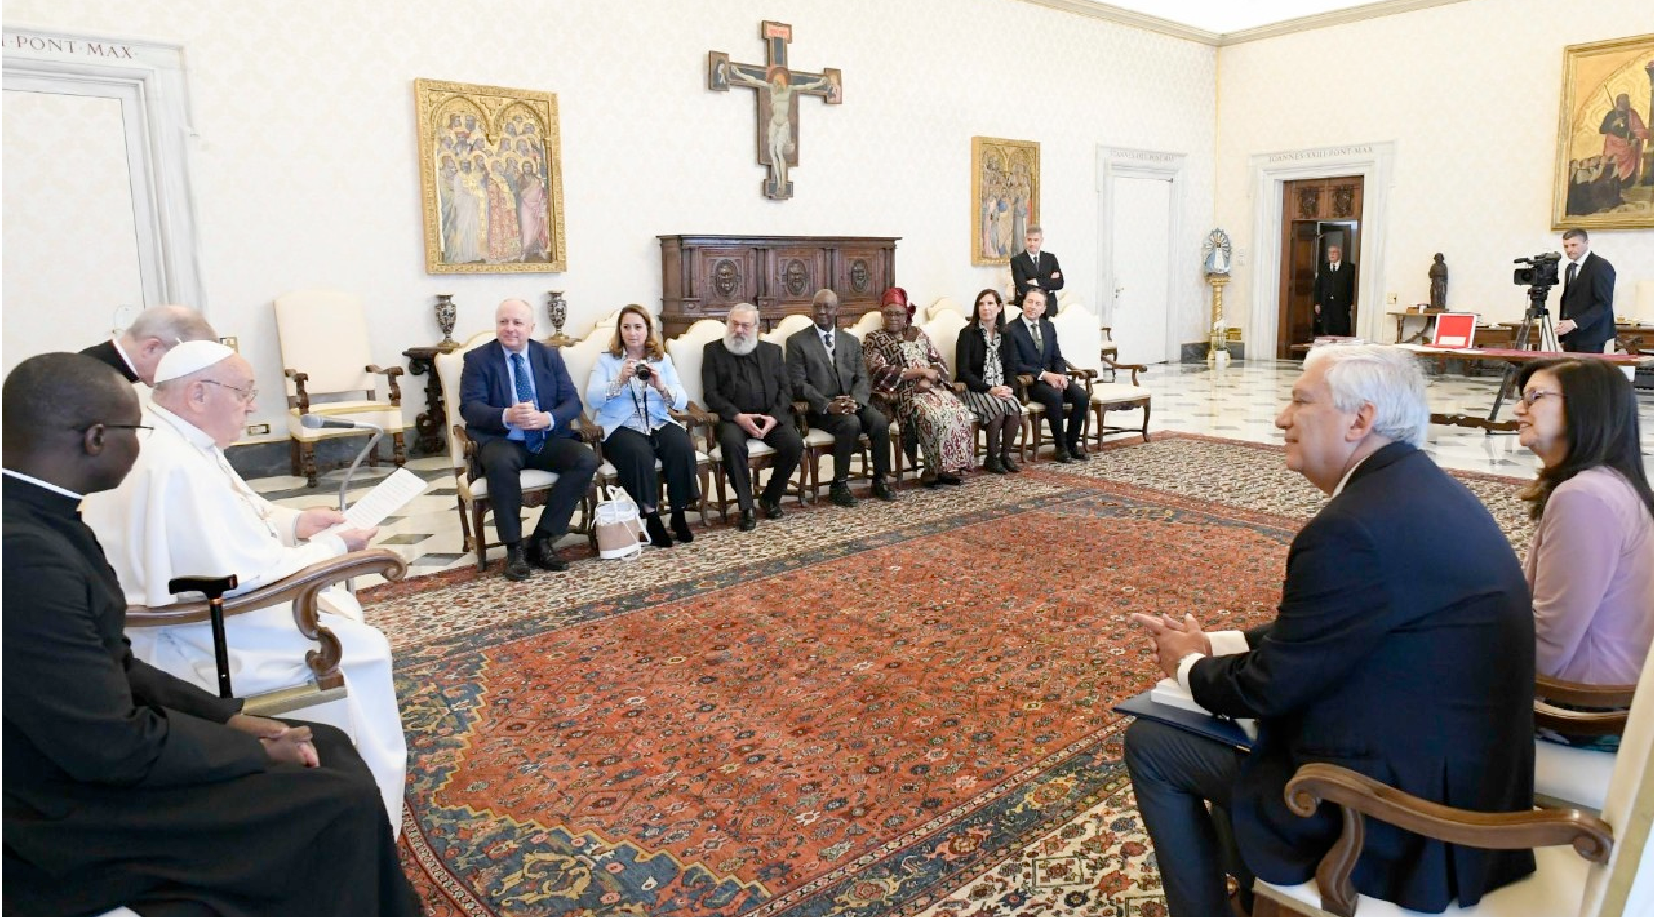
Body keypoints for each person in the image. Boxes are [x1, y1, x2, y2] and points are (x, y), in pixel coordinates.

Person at [2, 352, 422, 917]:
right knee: (335, 800)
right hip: (57, 811)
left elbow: (115, 662)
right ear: (97, 439)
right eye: (137, 431)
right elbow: (106, 747)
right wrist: (251, 749)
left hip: (86, 757)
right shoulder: (24, 557)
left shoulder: (41, 517)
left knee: (329, 745)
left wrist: (230, 718)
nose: (142, 445)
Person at [1124, 345, 1536, 917]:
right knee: (1223, 726)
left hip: (1411, 821)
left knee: (1153, 743)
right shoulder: (1414, 486)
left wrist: (1187, 667)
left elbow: (1269, 687)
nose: (1281, 418)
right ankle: (1249, 896)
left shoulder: (1352, 530)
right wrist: (1216, 645)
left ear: (1359, 420)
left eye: (1300, 402)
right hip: (1459, 769)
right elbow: (1331, 626)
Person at [80, 340, 408, 827]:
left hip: (194, 610)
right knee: (363, 647)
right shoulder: (174, 462)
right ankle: (373, 800)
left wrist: (298, 524)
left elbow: (241, 517)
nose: (252, 406)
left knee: (345, 614)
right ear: (198, 394)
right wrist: (335, 549)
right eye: (243, 393)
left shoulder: (174, 438)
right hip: (198, 631)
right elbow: (243, 577)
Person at [1513, 358, 1652, 686]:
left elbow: (1548, 645)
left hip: (1581, 692)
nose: (1518, 410)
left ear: (1585, 408)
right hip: (1606, 679)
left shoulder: (1584, 496)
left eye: (1535, 397)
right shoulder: (1611, 481)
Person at [459, 298, 601, 580]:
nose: (510, 328)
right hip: (502, 439)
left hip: (545, 437)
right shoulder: (477, 359)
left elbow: (572, 402)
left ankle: (542, 539)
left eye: (517, 322)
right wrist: (506, 415)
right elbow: (470, 408)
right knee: (500, 463)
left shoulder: (549, 356)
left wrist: (548, 418)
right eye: (503, 322)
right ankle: (514, 550)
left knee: (585, 459)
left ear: (531, 327)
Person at [585, 305, 699, 547]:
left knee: (682, 446)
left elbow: (680, 401)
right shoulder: (607, 360)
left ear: (648, 330)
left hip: (657, 419)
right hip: (620, 425)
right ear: (620, 331)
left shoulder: (661, 359)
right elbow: (592, 399)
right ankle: (651, 517)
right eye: (626, 327)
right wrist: (619, 380)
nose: (632, 333)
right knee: (639, 453)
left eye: (638, 327)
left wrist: (661, 386)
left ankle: (678, 515)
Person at [785, 289, 897, 506]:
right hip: (820, 408)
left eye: (827, 307)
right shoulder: (797, 342)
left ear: (837, 310)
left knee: (879, 420)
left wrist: (855, 401)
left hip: (851, 402)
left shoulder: (850, 341)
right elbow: (797, 383)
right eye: (818, 307)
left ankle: (880, 479)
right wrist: (828, 405)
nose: (822, 311)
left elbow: (862, 377)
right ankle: (840, 484)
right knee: (850, 423)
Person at [702, 303, 803, 530]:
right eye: (734, 324)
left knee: (794, 443)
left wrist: (774, 418)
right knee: (731, 444)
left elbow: (786, 390)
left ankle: (771, 498)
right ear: (728, 324)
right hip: (734, 419)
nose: (739, 330)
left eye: (745, 325)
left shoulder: (772, 352)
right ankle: (746, 507)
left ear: (756, 327)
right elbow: (711, 394)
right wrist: (738, 417)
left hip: (769, 417)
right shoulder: (713, 351)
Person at [863, 288, 976, 486]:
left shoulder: (919, 334)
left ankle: (948, 468)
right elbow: (878, 370)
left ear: (906, 314)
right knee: (932, 415)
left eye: (898, 313)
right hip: (903, 394)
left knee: (957, 410)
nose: (893, 318)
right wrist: (920, 373)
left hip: (931, 388)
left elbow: (937, 361)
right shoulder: (875, 338)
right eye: (888, 313)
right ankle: (931, 470)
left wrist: (928, 380)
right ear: (882, 314)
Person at [1003, 287, 1089, 463]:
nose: (1032, 307)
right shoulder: (1011, 329)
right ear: (1023, 303)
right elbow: (1015, 364)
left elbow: (1057, 357)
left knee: (1082, 396)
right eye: (1029, 302)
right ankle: (1060, 447)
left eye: (1037, 304)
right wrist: (1044, 375)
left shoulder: (1048, 327)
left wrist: (1061, 375)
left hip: (1052, 378)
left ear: (1043, 308)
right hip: (1029, 382)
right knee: (1055, 396)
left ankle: (1071, 444)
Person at [954, 289, 1024, 474]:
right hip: (973, 388)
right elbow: (964, 372)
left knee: (1014, 407)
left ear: (999, 308)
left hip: (1000, 388)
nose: (985, 308)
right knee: (997, 408)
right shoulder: (967, 334)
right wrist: (990, 389)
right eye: (981, 304)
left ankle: (1005, 456)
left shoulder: (1007, 335)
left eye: (990, 303)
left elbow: (1012, 367)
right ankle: (991, 458)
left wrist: (1009, 388)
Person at [81, 303, 217, 386]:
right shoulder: (95, 385)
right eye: (183, 365)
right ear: (151, 348)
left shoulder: (85, 369)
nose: (181, 376)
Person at [1555, 228, 1617, 354]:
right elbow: (1569, 300)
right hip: (1571, 335)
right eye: (1566, 246)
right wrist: (1563, 336)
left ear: (1586, 243)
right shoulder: (1570, 268)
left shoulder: (1600, 266)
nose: (1569, 250)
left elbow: (1604, 304)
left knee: (1588, 368)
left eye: (1574, 245)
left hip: (1592, 335)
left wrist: (1574, 323)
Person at [1009, 225, 1063, 318]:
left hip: (1049, 308)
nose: (1032, 243)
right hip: (1028, 308)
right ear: (1025, 240)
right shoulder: (1017, 260)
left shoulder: (1051, 258)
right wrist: (1049, 282)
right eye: (1029, 239)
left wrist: (1036, 282)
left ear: (1042, 240)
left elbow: (1059, 284)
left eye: (1036, 240)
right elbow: (1022, 288)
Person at [1312, 243, 1355, 337]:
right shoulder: (1324, 268)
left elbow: (1352, 286)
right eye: (1329, 252)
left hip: (1341, 304)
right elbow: (1318, 286)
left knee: (1341, 329)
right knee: (1326, 328)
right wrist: (1317, 303)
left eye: (1334, 252)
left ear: (1339, 254)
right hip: (1326, 304)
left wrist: (1352, 302)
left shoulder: (1348, 268)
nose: (1331, 254)